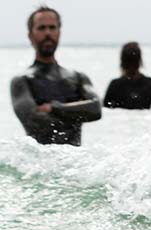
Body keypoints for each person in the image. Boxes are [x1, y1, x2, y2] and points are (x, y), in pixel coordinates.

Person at [10, 6, 101, 146]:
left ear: (59, 32)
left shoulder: (78, 78)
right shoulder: (22, 81)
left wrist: (53, 108)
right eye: (41, 28)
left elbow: (95, 109)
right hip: (40, 163)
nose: (48, 33)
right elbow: (34, 121)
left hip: (77, 161)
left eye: (52, 27)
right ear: (30, 35)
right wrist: (78, 112)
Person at [103, 42, 151, 110]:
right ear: (140, 61)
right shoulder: (150, 84)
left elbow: (105, 109)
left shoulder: (115, 85)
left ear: (122, 61)